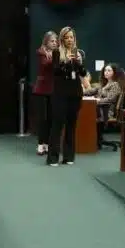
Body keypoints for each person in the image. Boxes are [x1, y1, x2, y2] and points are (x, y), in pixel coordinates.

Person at [47, 26, 87, 166]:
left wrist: (80, 63)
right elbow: (55, 71)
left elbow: (82, 73)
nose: (70, 40)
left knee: (71, 125)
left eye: (72, 37)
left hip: (75, 93)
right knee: (57, 125)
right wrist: (65, 62)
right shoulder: (57, 52)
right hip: (60, 94)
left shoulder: (77, 52)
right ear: (62, 39)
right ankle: (52, 157)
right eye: (67, 37)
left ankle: (69, 156)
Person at [84, 63, 125, 148]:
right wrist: (80, 92)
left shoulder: (115, 84)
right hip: (100, 108)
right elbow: (91, 91)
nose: (106, 72)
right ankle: (92, 139)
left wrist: (98, 100)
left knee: (87, 113)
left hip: (107, 111)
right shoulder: (103, 84)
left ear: (114, 73)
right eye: (105, 70)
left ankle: (92, 140)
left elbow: (110, 99)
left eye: (109, 70)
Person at [33, 31, 57, 156]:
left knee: (51, 118)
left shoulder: (56, 53)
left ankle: (47, 144)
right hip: (41, 90)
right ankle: (40, 145)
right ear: (46, 42)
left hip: (53, 90)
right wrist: (56, 57)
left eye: (55, 41)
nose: (54, 43)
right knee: (43, 118)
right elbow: (45, 64)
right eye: (52, 41)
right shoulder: (40, 52)